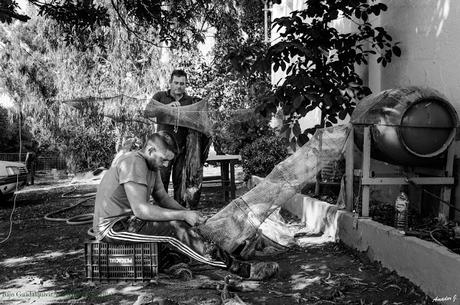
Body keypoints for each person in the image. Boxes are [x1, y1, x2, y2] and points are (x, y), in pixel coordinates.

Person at [92, 131, 278, 280]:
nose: (166, 165)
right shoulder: (133, 162)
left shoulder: (152, 166)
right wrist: (181, 217)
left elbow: (163, 199)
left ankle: (235, 251)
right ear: (149, 150)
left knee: (184, 225)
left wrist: (188, 213)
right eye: (163, 159)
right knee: (177, 230)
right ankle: (242, 270)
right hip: (112, 229)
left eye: (168, 161)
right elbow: (141, 210)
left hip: (129, 222)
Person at [152, 69, 197, 206]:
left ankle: (179, 213)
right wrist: (166, 108)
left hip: (182, 149)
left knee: (180, 182)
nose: (179, 86)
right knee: (161, 181)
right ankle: (159, 213)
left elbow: (197, 120)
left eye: (182, 83)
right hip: (162, 149)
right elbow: (147, 112)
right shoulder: (160, 96)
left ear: (186, 84)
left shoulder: (190, 101)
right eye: (176, 83)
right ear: (170, 83)